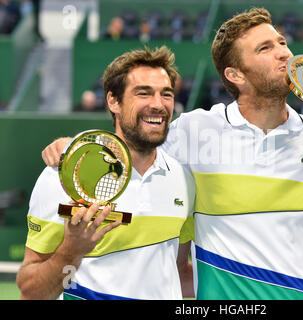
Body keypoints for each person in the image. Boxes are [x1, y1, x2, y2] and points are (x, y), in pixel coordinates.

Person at [41, 8, 303, 300]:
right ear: (235, 75)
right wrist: (73, 147)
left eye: (283, 43)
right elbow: (133, 139)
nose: (284, 54)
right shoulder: (192, 132)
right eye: (265, 48)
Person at [17, 46, 195, 300]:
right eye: (143, 93)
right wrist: (70, 252)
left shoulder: (183, 179)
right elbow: (31, 292)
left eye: (166, 94)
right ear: (113, 101)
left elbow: (176, 272)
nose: (158, 104)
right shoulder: (65, 175)